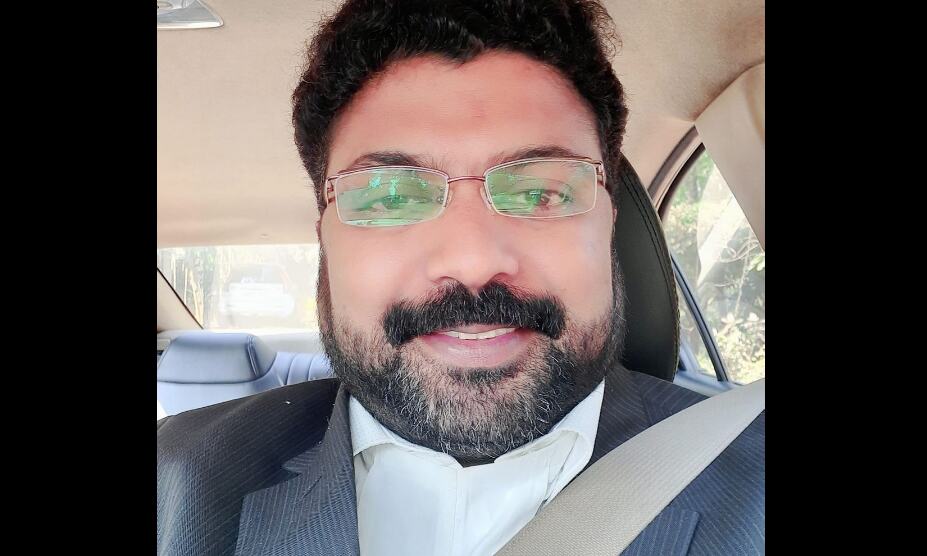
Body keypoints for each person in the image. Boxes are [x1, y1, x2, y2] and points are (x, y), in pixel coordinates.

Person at [156, 1, 765, 554]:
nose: (473, 262)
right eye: (391, 198)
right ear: (325, 236)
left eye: (540, 192)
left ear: (609, 221)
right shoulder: (174, 481)